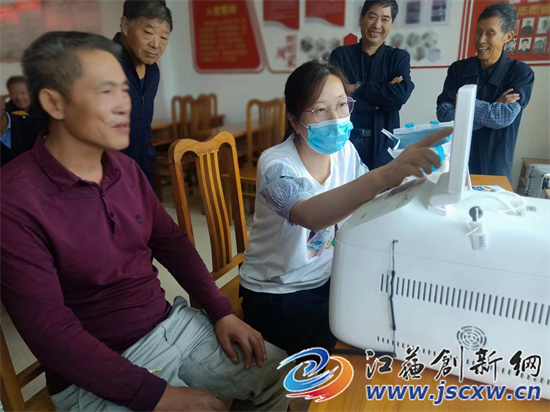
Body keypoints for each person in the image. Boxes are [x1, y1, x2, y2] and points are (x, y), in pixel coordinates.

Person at [0, 31, 289, 412]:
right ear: (54, 102)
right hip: (97, 369)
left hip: (170, 326)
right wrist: (160, 396)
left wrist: (220, 310)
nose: (124, 104)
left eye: (124, 89)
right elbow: (50, 332)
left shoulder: (125, 169)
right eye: (106, 91)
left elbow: (173, 243)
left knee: (284, 376)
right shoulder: (14, 198)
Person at [239, 60, 450, 355]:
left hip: (327, 277)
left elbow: (368, 200)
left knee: (386, 324)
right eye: (320, 110)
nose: (336, 118)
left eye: (342, 105)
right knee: (349, 354)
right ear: (294, 120)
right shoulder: (276, 164)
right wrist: (385, 175)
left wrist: (411, 184)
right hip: (279, 292)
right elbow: (310, 215)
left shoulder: (345, 152)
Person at [436, 3, 534, 183]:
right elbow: (444, 115)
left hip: (496, 167)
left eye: (490, 33)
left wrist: (463, 102)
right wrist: (493, 107)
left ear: (508, 37)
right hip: (458, 164)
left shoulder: (520, 73)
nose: (481, 40)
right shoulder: (458, 69)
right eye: (478, 31)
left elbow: (504, 117)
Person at [329, 0, 414, 170]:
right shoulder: (341, 56)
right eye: (372, 17)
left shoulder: (398, 58)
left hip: (384, 147)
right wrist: (381, 102)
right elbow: (335, 100)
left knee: (383, 187)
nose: (377, 25)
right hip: (345, 144)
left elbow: (399, 97)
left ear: (391, 24)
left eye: (385, 19)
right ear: (362, 18)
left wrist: (356, 88)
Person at [114, 0, 172, 187]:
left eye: (163, 37)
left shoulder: (153, 71)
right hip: (110, 172)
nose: (155, 44)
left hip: (143, 167)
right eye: (148, 32)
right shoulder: (106, 64)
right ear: (125, 26)